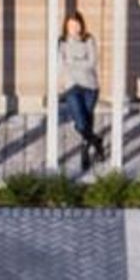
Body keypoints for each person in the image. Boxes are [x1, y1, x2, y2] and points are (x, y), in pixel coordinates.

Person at [56, 11, 105, 169]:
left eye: (77, 24)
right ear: (66, 26)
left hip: (90, 86)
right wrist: (79, 62)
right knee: (80, 124)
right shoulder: (62, 42)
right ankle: (96, 141)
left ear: (81, 24)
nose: (74, 27)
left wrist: (73, 63)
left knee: (87, 122)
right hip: (72, 87)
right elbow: (61, 64)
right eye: (71, 25)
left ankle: (85, 152)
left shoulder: (88, 39)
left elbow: (92, 63)